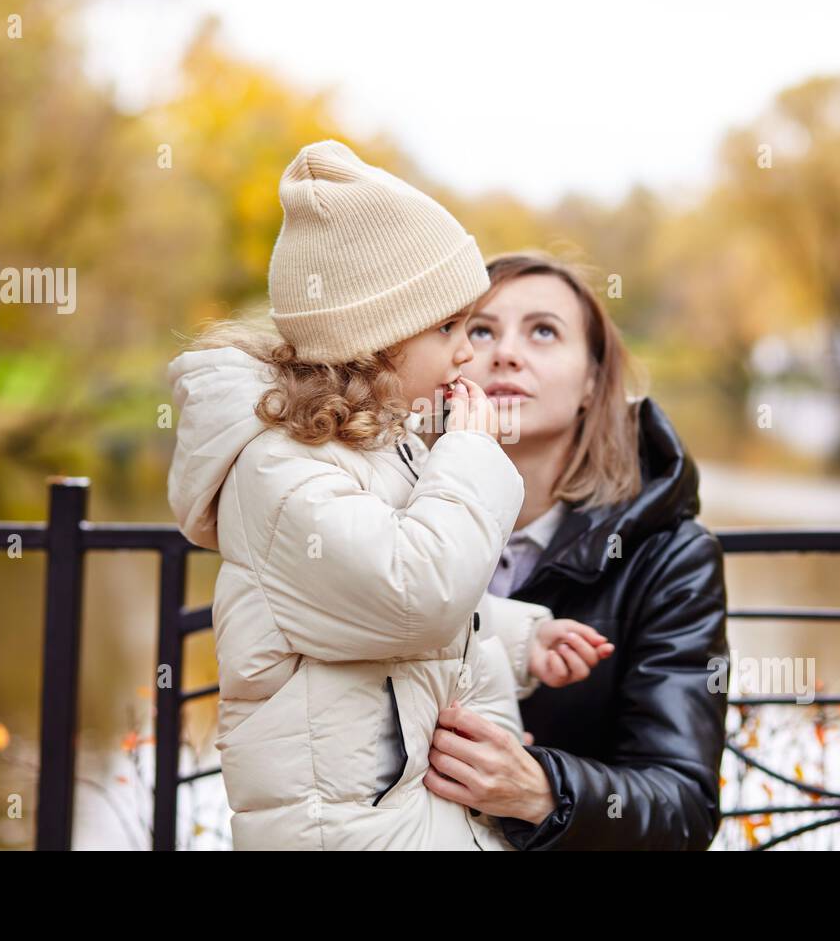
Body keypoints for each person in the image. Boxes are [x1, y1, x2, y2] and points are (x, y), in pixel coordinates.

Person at [165, 142, 611, 850]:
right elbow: (411, 593)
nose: (469, 353)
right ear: (372, 341)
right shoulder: (281, 469)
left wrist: (524, 637)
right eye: (448, 328)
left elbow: (403, 588)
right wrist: (471, 452)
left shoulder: (374, 445)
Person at [422, 252, 731, 850]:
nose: (505, 353)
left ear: (592, 382)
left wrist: (538, 791)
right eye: (479, 330)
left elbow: (683, 809)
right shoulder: (390, 515)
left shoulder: (669, 557)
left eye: (543, 331)